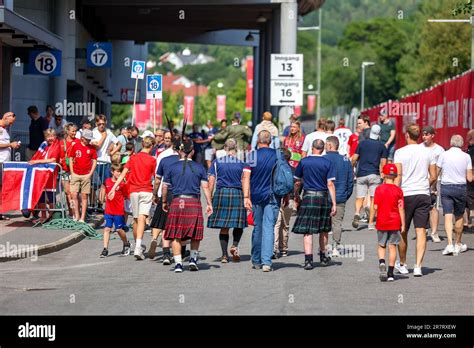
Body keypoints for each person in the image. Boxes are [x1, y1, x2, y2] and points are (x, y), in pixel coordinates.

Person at [162, 137, 213, 273]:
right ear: (192, 151)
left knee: (176, 234)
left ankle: (178, 264)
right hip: (193, 202)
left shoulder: (171, 167)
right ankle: (192, 259)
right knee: (195, 234)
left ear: (179, 151)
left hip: (178, 202)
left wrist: (164, 201)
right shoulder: (199, 167)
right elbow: (206, 187)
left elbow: (165, 187)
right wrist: (209, 203)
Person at [393, 123, 436, 277]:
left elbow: (398, 176)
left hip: (405, 194)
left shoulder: (399, 152)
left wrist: (395, 192)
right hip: (423, 194)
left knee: (403, 230)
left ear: (406, 135)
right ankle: (418, 266)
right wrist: (425, 184)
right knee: (421, 231)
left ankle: (403, 263)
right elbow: (434, 176)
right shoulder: (427, 152)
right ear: (419, 136)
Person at [109, 136, 156, 260]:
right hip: (146, 190)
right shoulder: (152, 159)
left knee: (135, 220)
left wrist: (113, 188)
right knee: (142, 219)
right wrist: (157, 194)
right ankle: (138, 247)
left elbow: (123, 173)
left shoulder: (133, 158)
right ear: (151, 146)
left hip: (133, 192)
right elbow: (157, 178)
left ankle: (137, 245)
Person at [292, 139, 337, 270]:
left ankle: (308, 261)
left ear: (312, 148)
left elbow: (297, 182)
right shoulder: (328, 163)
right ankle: (323, 257)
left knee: (308, 230)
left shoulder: (304, 161)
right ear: (323, 149)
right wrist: (334, 203)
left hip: (308, 197)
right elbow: (330, 184)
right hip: (323, 198)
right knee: (323, 230)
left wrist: (296, 196)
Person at [242, 130, 280, 272]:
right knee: (269, 227)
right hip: (273, 195)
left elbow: (246, 177)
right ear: (270, 141)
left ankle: (256, 260)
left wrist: (246, 197)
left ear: (258, 140)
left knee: (258, 227)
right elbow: (283, 175)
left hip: (256, 196)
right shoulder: (277, 155)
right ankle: (267, 262)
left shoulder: (252, 156)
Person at [208, 139, 249, 263]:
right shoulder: (242, 164)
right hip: (237, 193)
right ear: (235, 149)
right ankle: (234, 245)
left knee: (224, 226)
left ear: (225, 148)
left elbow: (211, 181)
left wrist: (209, 199)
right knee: (239, 223)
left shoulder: (216, 162)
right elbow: (245, 181)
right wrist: (247, 198)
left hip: (222, 193)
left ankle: (225, 255)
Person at [437, 135, 473, 256]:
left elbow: (437, 172)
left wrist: (432, 186)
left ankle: (449, 244)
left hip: (446, 186)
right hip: (461, 187)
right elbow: (469, 178)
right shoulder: (466, 156)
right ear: (462, 144)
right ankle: (458, 243)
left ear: (451, 143)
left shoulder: (444, 154)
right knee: (459, 216)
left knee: (447, 215)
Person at [370, 163, 405, 282]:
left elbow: (375, 206)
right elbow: (401, 208)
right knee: (393, 246)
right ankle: (390, 273)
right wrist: (403, 223)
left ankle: (381, 262)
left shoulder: (379, 189)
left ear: (384, 175)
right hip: (395, 221)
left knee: (381, 244)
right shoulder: (399, 190)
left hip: (382, 220)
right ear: (395, 176)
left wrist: (372, 220)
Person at [351, 124, 388, 229]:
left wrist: (351, 168)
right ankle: (371, 223)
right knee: (373, 199)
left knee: (360, 197)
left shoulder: (362, 144)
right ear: (379, 134)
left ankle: (357, 212)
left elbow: (354, 158)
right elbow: (384, 163)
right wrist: (383, 176)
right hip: (374, 174)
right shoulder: (382, 146)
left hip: (361, 174)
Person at [149, 131, 177, 261]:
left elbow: (157, 177)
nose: (166, 140)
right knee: (168, 223)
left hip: (163, 191)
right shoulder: (181, 157)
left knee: (160, 220)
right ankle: (170, 249)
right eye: (164, 138)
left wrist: (154, 193)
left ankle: (154, 238)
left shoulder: (162, 156)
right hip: (174, 193)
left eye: (168, 138)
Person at [324, 136, 353, 257]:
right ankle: (335, 247)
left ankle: (324, 248)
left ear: (330, 145)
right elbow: (350, 181)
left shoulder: (323, 159)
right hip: (341, 196)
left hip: (325, 196)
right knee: (337, 223)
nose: (325, 147)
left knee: (325, 223)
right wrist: (346, 195)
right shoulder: (345, 160)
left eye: (326, 144)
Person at [99, 164, 131, 258]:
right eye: (117, 171)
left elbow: (126, 196)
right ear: (112, 172)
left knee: (119, 230)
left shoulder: (122, 184)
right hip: (109, 210)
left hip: (118, 211)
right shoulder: (107, 181)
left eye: (120, 172)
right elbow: (103, 191)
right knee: (107, 228)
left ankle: (126, 243)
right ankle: (105, 249)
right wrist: (102, 197)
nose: (119, 173)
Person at [420, 126, 445, 243]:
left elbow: (442, 168)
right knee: (422, 207)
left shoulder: (439, 150)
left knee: (434, 208)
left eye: (427, 134)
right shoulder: (419, 148)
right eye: (423, 134)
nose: (424, 136)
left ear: (432, 135)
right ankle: (423, 228)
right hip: (421, 181)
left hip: (435, 181)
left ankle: (434, 233)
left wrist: (435, 184)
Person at [68, 129, 98, 223]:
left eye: (90, 139)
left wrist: (90, 173)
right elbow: (70, 158)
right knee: (73, 195)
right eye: (87, 139)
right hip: (76, 174)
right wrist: (72, 172)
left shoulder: (92, 148)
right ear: (82, 138)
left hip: (86, 174)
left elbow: (94, 161)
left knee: (84, 196)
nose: (89, 141)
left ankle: (82, 217)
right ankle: (76, 215)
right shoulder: (75, 146)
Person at [0, 112, 20, 220]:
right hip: (0, 162)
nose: (11, 124)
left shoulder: (5, 129)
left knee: (3, 189)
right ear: (5, 117)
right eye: (11, 122)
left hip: (4, 163)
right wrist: (10, 145)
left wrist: (12, 145)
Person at [91, 115, 121, 186]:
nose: (101, 126)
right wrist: (104, 136)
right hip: (96, 162)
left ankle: (103, 197)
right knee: (94, 186)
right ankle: (96, 198)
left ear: (106, 123)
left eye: (103, 124)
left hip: (106, 162)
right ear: (96, 124)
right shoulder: (93, 133)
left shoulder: (109, 133)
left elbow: (119, 144)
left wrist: (112, 152)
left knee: (106, 184)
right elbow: (97, 147)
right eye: (99, 124)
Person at [59, 122, 78, 217]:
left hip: (74, 170)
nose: (74, 133)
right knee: (67, 192)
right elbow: (58, 154)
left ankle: (75, 212)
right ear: (67, 131)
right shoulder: (61, 142)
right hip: (64, 169)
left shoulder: (78, 141)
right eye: (73, 131)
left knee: (74, 192)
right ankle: (71, 211)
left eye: (75, 131)